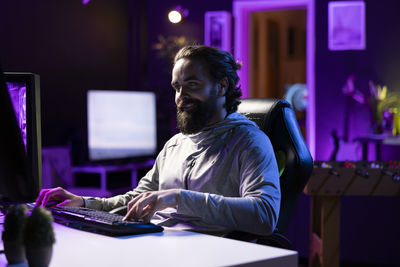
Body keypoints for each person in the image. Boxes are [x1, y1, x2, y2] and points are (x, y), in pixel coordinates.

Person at [36, 45, 281, 236]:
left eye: (192, 85)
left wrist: (177, 197)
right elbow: (139, 198)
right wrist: (84, 202)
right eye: (177, 87)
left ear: (221, 87)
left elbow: (264, 215)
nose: (180, 97)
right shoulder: (176, 144)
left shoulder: (249, 142)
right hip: (157, 244)